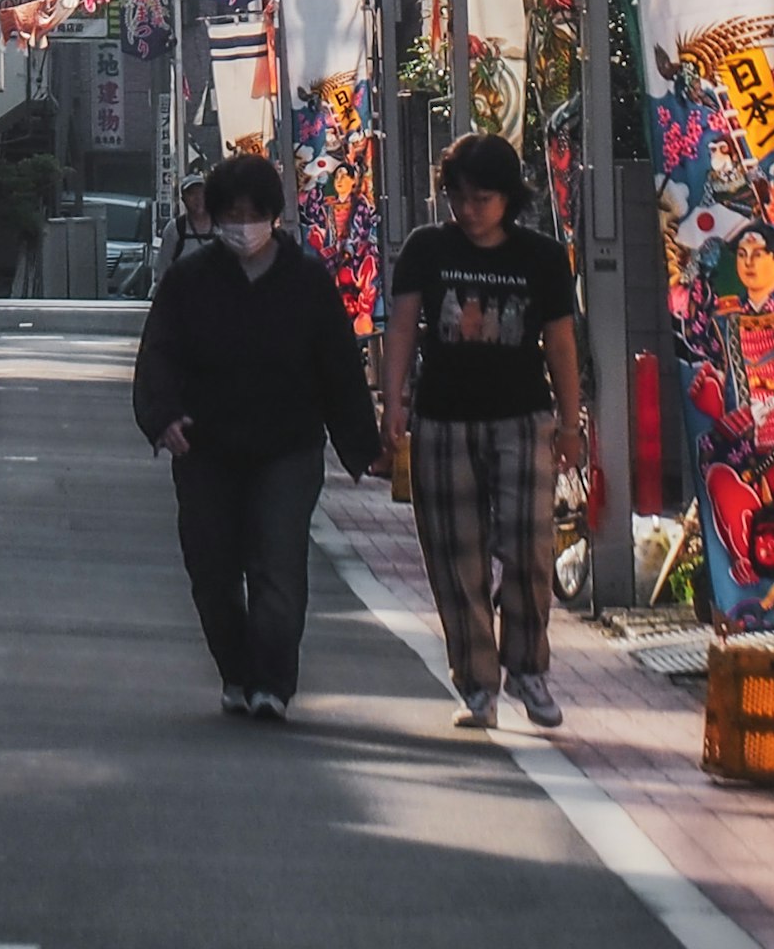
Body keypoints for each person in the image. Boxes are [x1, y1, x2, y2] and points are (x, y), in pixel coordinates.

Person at [132, 151, 382, 723]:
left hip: (287, 444)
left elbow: (338, 367)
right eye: (231, 213)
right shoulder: (190, 281)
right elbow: (160, 354)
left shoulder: (306, 282)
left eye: (252, 212)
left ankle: (273, 680)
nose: (241, 224)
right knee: (212, 568)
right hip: (205, 446)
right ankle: (235, 671)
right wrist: (162, 416)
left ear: (273, 214)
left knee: (277, 559)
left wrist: (362, 447)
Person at [381, 131, 588, 732]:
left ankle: (528, 668)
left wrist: (571, 423)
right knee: (455, 552)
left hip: (523, 417)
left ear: (510, 198)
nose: (469, 210)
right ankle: (476, 682)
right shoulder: (426, 247)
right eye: (459, 197)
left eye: (483, 199)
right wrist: (393, 402)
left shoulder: (542, 258)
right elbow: (401, 328)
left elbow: (561, 342)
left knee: (529, 547)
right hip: (442, 417)